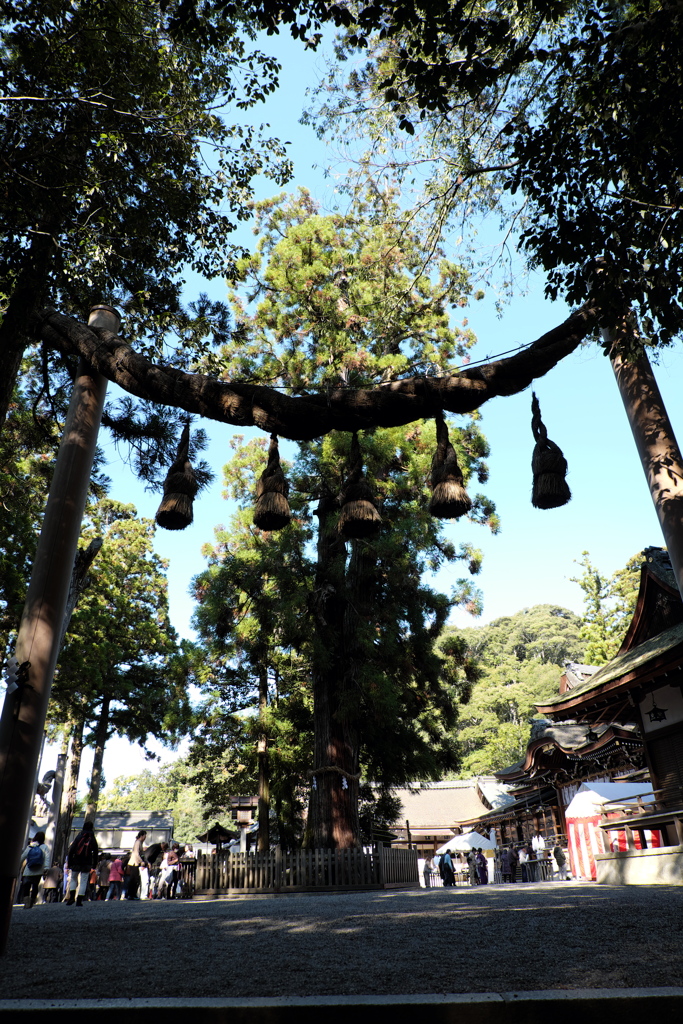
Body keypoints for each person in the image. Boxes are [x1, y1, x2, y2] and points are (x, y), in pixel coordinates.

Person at [65, 821, 99, 906]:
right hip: (87, 862)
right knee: (84, 880)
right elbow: (95, 852)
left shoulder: (79, 836)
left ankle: (72, 897)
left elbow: (72, 850)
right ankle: (79, 900)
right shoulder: (92, 838)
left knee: (73, 878)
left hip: (76, 860)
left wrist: (69, 862)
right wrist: (94, 864)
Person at [20, 831, 49, 909]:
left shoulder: (30, 847)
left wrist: (18, 865)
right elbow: (47, 858)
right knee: (35, 886)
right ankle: (32, 902)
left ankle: (26, 903)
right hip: (38, 870)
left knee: (26, 887)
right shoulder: (44, 847)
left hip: (28, 870)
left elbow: (22, 857)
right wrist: (46, 868)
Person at [125, 830, 147, 900]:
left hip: (135, 862)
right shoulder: (138, 842)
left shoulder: (139, 842)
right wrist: (141, 861)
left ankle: (131, 894)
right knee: (134, 879)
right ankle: (131, 894)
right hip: (134, 862)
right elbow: (136, 853)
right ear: (142, 836)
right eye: (145, 836)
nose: (145, 837)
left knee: (134, 879)